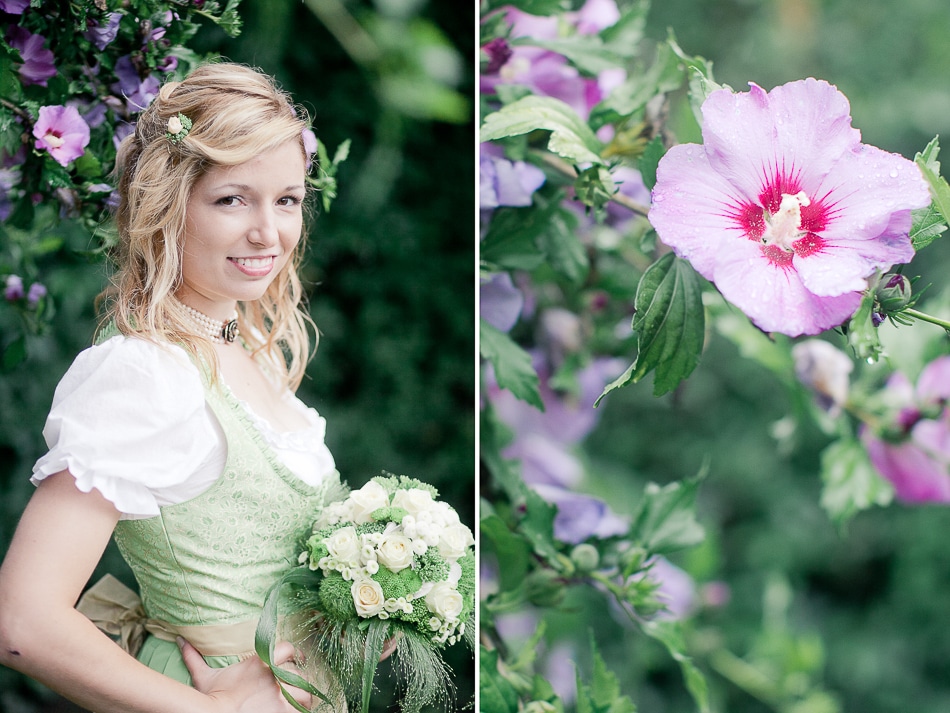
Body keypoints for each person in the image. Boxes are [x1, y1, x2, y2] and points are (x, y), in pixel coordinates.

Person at [0, 62, 353, 712]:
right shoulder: (144, 373)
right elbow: (23, 620)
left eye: (286, 199)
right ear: (168, 203)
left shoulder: (250, 352)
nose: (268, 232)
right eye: (232, 198)